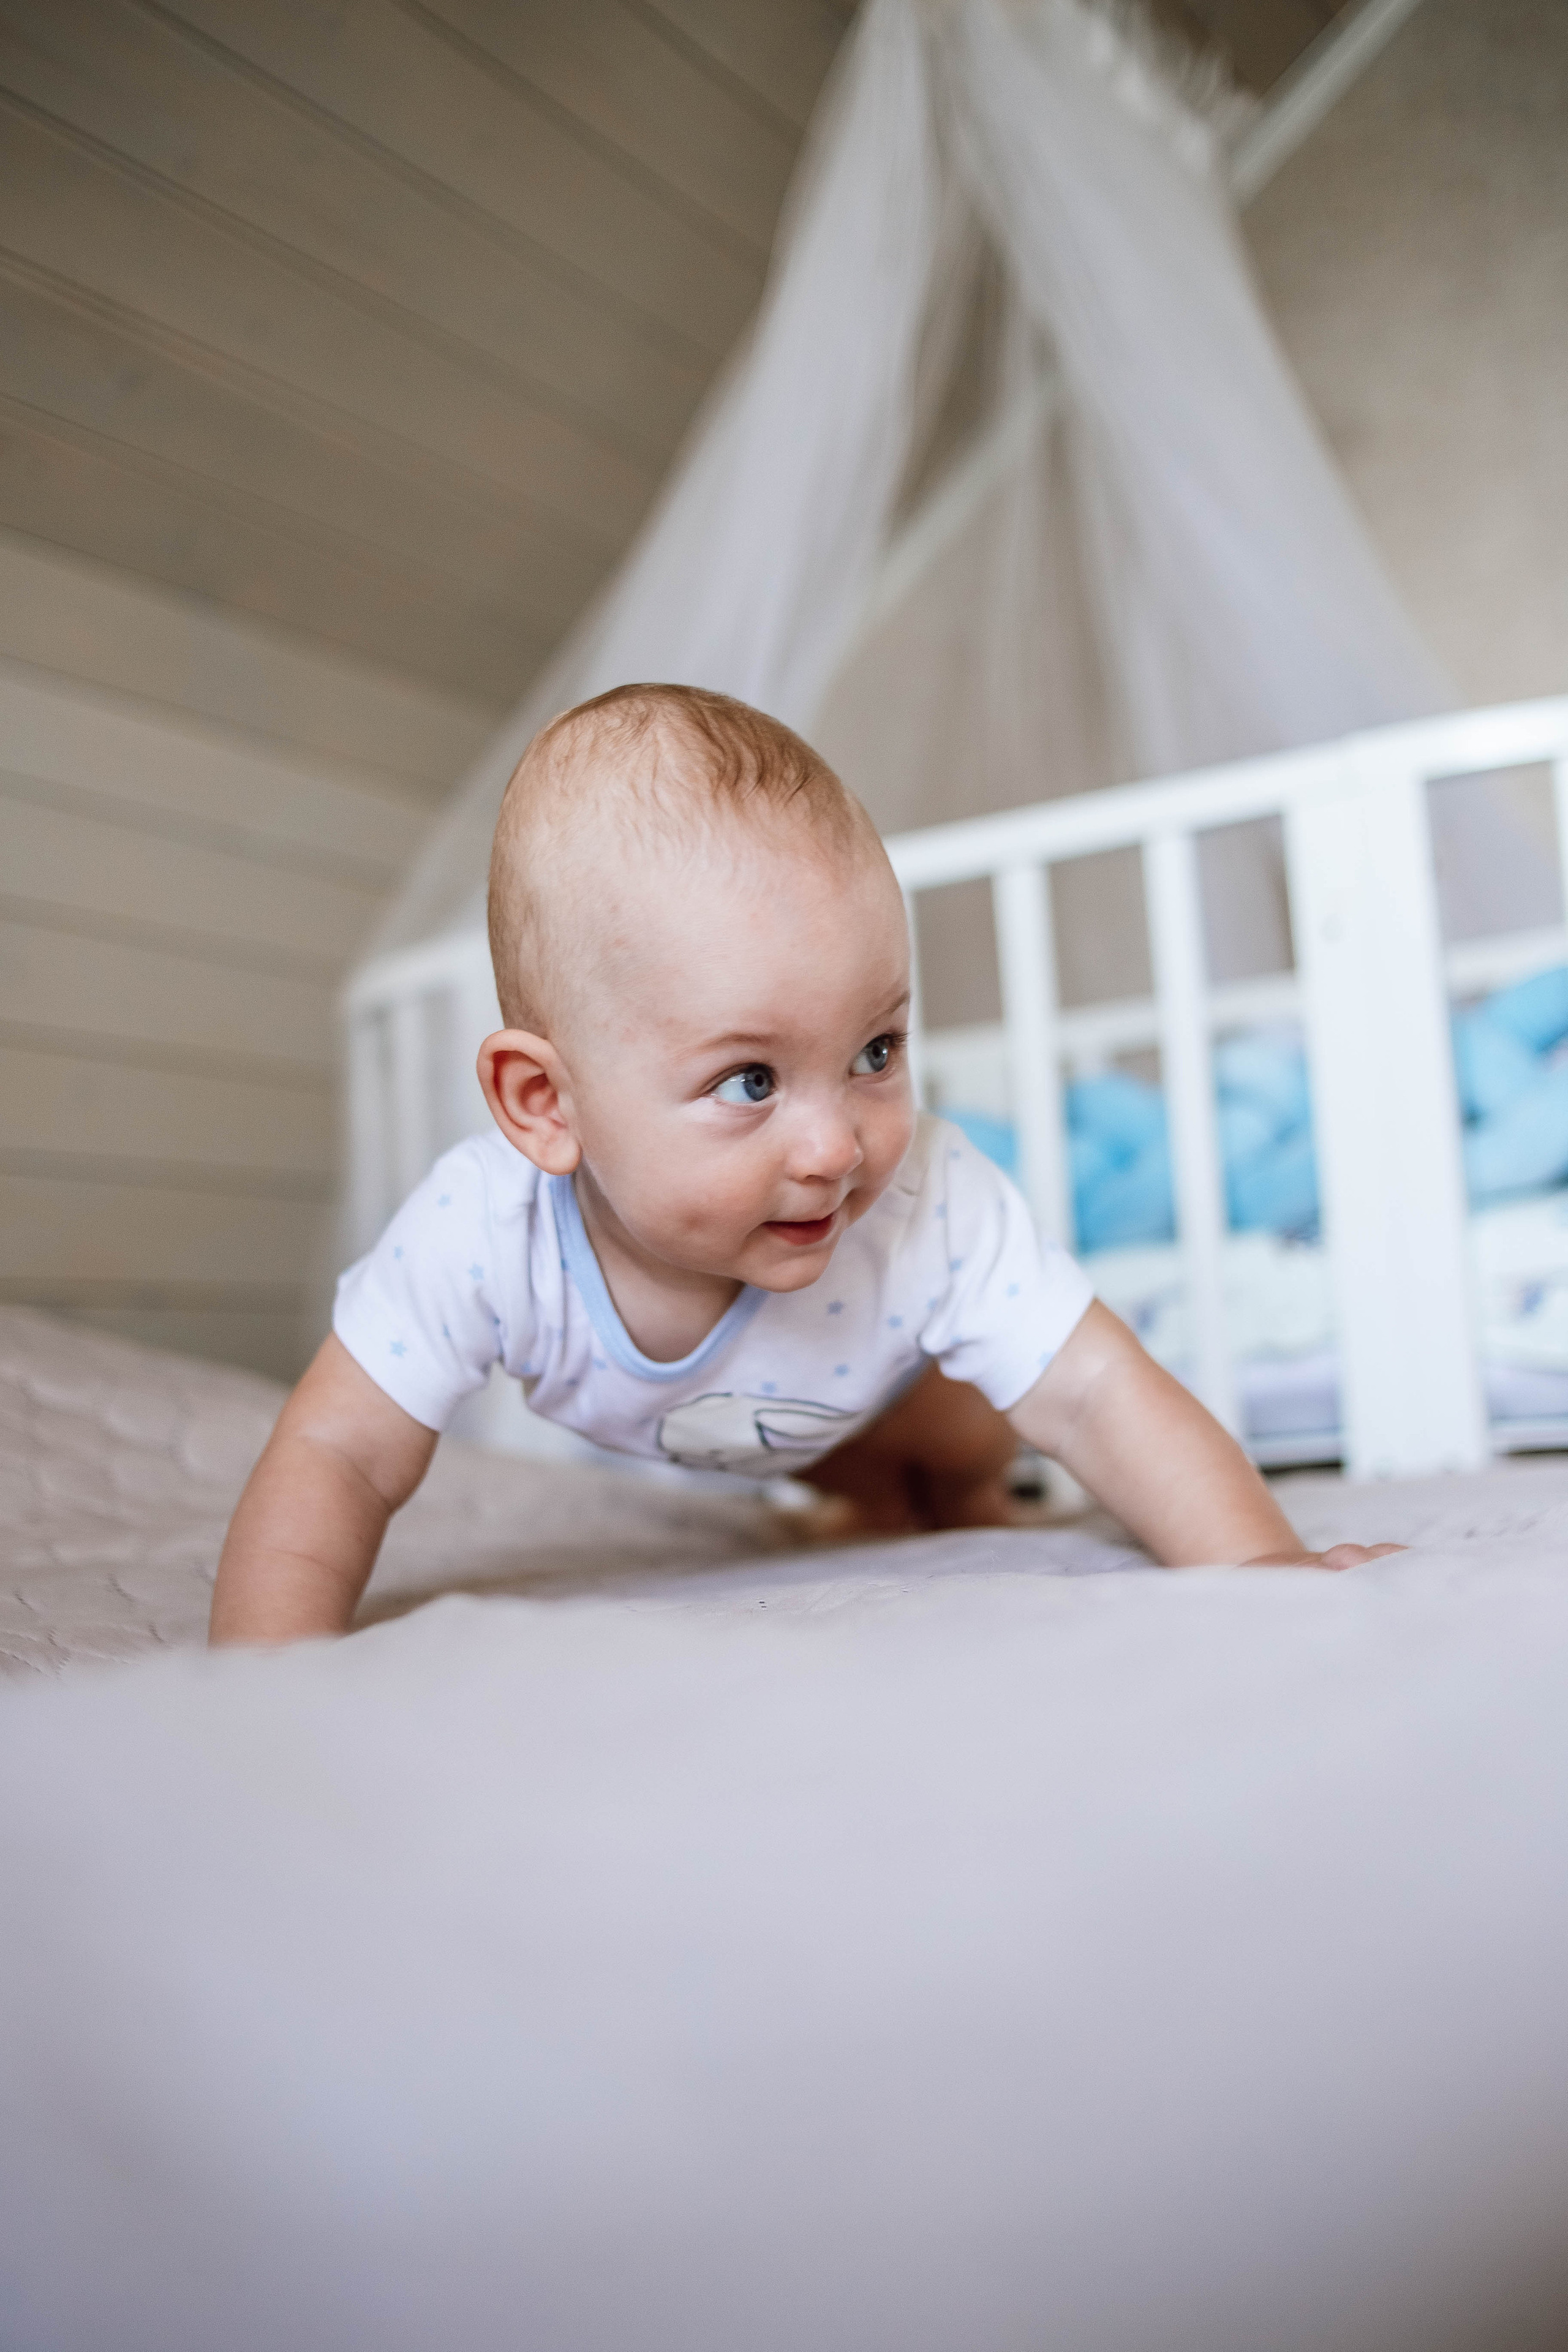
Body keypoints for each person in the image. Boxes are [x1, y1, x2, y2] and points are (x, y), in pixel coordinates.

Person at [210, 685, 1396, 1643]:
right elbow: (339, 1453)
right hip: (768, 1423)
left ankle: (927, 1493)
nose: (836, 1149)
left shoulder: (927, 1195)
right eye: (750, 1082)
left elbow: (1093, 1392)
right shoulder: (482, 1231)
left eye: (874, 1050)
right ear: (545, 1104)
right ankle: (872, 1494)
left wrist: (1257, 1567)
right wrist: (266, 1677)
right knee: (871, 1480)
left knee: (956, 1452)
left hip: (885, 1388)